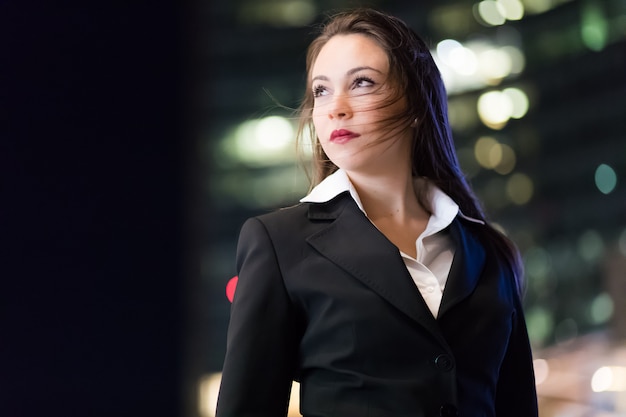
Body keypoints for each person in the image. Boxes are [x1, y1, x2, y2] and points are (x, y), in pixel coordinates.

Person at [216, 8, 538, 417]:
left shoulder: (489, 250)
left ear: (417, 103)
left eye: (362, 82)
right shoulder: (279, 243)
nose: (336, 107)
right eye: (321, 90)